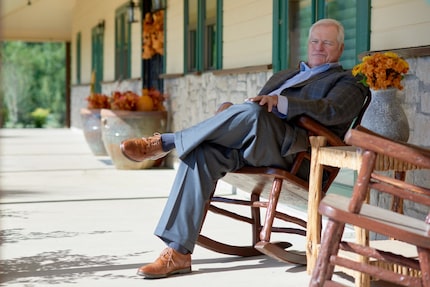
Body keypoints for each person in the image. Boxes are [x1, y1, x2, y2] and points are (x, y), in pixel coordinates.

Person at [120, 18, 370, 279]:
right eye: (315, 41)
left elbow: (334, 111)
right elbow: (256, 108)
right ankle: (178, 252)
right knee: (202, 153)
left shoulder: (350, 81)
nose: (319, 47)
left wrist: (282, 102)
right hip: (255, 143)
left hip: (294, 153)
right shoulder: (284, 75)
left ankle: (167, 142)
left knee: (250, 113)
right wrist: (232, 115)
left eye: (327, 42)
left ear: (340, 49)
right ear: (308, 45)